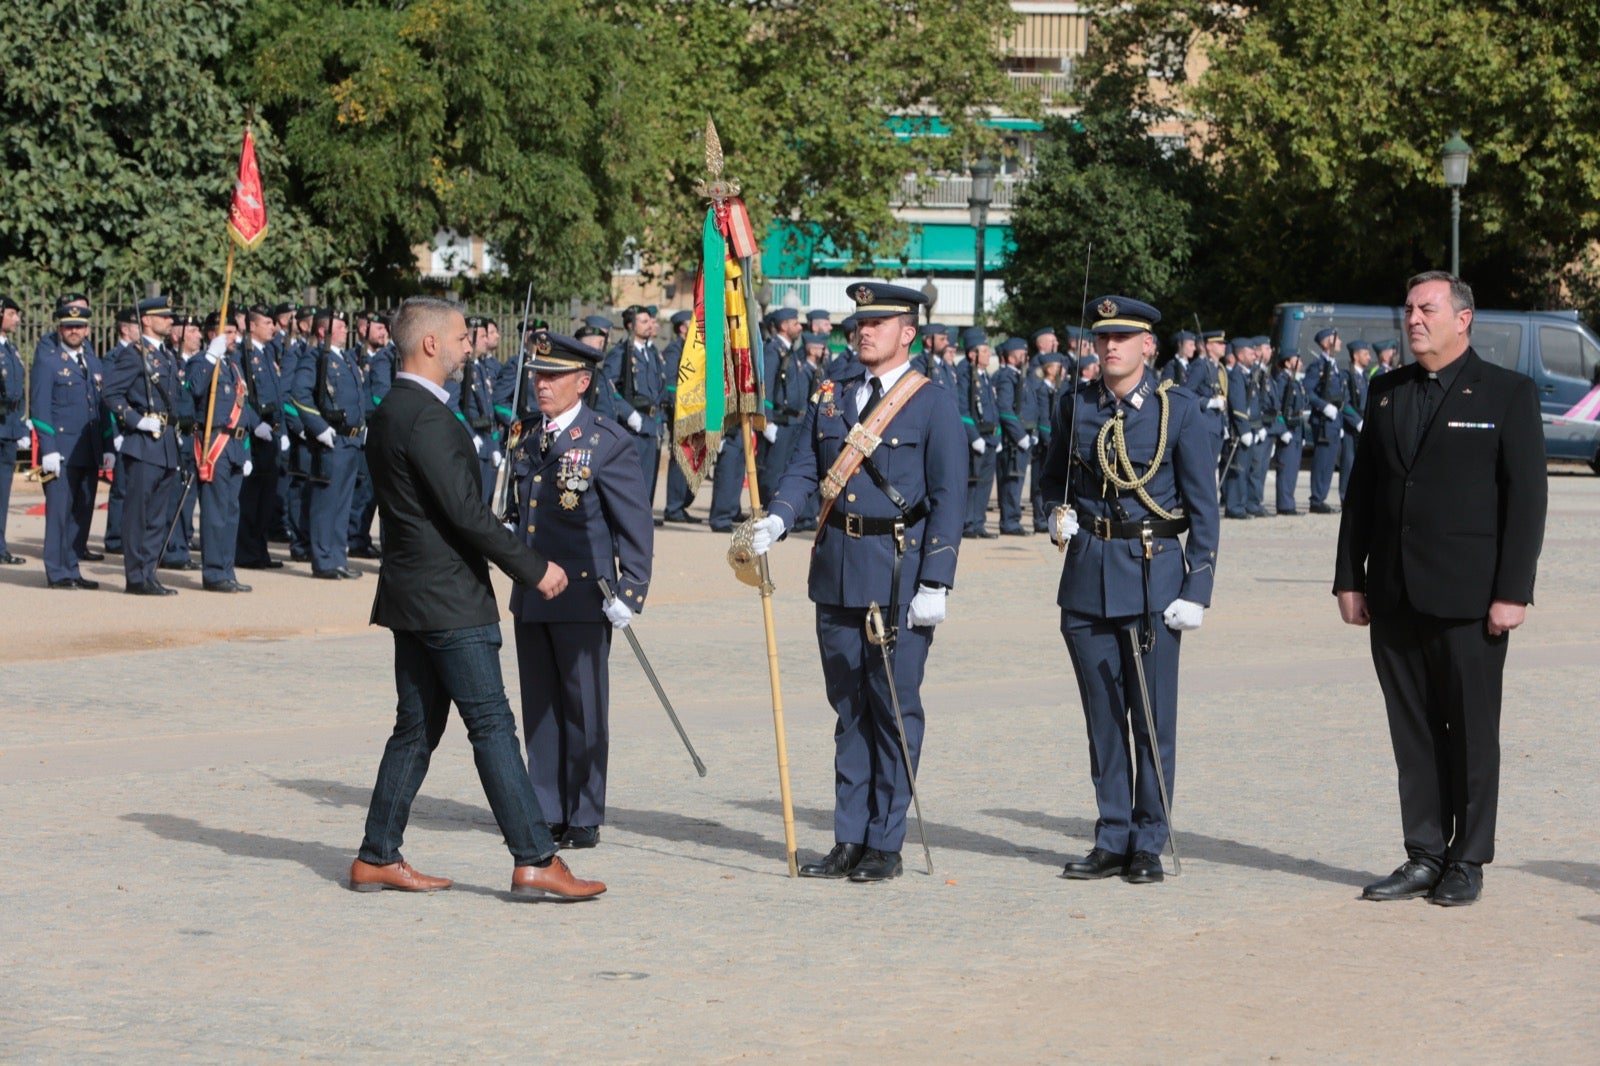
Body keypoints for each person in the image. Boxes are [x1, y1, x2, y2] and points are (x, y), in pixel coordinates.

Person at [351, 295, 604, 900]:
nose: (472, 346)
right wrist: (531, 567)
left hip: (412, 594)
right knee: (491, 723)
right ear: (432, 344)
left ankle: (377, 853)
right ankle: (535, 856)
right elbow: (465, 513)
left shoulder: (393, 409)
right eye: (463, 338)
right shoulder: (427, 417)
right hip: (448, 599)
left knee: (414, 729)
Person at [1334, 271, 1546, 907]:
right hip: (1396, 595)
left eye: (1426, 308)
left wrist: (1513, 591)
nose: (1414, 319)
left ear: (1464, 318)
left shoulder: (1507, 393)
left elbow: (1526, 500)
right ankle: (1424, 853)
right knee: (1414, 732)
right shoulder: (1386, 391)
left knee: (1473, 733)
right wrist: (1350, 577)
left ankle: (1468, 859)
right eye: (1409, 309)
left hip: (1471, 600)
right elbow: (1363, 493)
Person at [747, 281, 966, 883]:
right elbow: (802, 471)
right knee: (848, 710)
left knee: (892, 708)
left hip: (898, 572)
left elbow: (949, 499)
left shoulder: (932, 402)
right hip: (837, 567)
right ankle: (848, 836)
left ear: (908, 333)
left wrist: (937, 581)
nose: (864, 331)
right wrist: (778, 517)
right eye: (860, 322)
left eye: (879, 322)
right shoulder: (831, 395)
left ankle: (884, 841)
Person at [1039, 295, 1219, 884]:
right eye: (1101, 338)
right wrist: (1054, 514)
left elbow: (1203, 509)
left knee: (1150, 717)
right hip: (1088, 575)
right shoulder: (1075, 405)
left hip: (1152, 577)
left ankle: (1148, 839)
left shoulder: (1179, 411)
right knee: (1103, 719)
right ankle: (1112, 833)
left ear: (1149, 346)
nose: (1109, 347)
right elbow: (1050, 480)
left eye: (1122, 338)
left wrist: (1198, 586)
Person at [508, 330, 653, 850]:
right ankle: (547, 807)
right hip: (532, 592)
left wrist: (631, 590)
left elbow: (634, 523)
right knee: (541, 705)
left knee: (583, 706)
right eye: (537, 376)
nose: (541, 385)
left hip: (586, 592)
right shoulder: (525, 436)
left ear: (583, 382)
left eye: (552, 377)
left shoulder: (606, 441)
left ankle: (585, 810)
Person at [102, 296, 183, 596]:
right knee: (138, 513)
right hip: (143, 443)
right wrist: (135, 420)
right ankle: (136, 576)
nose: (170, 321)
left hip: (165, 445)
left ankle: (149, 572)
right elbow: (110, 393)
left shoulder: (166, 355)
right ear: (146, 320)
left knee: (157, 516)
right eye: (164, 317)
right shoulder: (135, 355)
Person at [294, 309, 367, 579]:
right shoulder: (313, 358)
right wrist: (319, 428)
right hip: (331, 440)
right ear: (323, 331)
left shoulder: (345, 358)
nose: (345, 330)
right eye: (339, 326)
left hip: (350, 440)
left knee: (342, 503)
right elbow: (299, 395)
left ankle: (338, 557)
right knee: (326, 502)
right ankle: (323, 559)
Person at [186, 321, 255, 592]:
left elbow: (244, 412)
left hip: (237, 446)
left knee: (231, 512)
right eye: (227, 332)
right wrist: (210, 357)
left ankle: (227, 569)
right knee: (215, 513)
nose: (233, 337)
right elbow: (193, 389)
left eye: (235, 331)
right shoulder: (201, 362)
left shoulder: (234, 367)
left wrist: (247, 451)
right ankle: (214, 573)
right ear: (212, 335)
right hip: (216, 443)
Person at [236, 305, 288, 571]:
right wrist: (255, 424)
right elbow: (239, 397)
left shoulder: (268, 353)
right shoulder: (241, 354)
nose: (273, 327)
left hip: (272, 433)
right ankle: (245, 552)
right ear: (252, 326)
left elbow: (278, 395)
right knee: (251, 498)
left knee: (266, 499)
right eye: (267, 322)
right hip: (253, 436)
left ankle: (259, 549)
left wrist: (284, 431)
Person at [956, 327, 999, 538]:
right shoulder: (965, 372)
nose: (989, 353)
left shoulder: (984, 375)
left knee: (985, 484)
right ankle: (968, 524)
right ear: (973, 353)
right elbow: (963, 408)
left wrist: (997, 435)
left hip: (990, 436)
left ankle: (979, 523)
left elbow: (992, 407)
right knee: (972, 483)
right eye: (985, 350)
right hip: (977, 437)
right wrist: (974, 437)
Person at [992, 336, 1032, 535]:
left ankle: (1012, 519)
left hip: (1017, 438)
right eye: (1020, 354)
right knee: (1011, 482)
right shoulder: (1007, 376)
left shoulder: (1017, 375)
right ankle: (1010, 521)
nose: (1025, 356)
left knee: (1015, 482)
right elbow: (1005, 408)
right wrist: (1019, 435)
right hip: (1011, 440)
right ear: (1010, 356)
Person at [1304, 326, 1345, 513]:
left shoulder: (1333, 366)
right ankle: (1317, 499)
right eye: (1336, 339)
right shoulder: (1317, 366)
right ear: (1328, 342)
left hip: (1334, 420)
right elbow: (1309, 392)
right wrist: (1323, 406)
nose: (1340, 342)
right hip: (1323, 420)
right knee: (1322, 460)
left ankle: (1322, 497)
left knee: (1329, 462)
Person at [0, 294, 29, 564]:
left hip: (8, 428)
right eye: (12, 313)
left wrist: (21, 424)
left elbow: (16, 393)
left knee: (3, 490)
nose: (17, 319)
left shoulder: (10, 348)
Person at [1269, 351, 1308, 516]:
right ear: (1287, 363)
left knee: (1292, 469)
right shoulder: (1282, 381)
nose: (1300, 364)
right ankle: (1285, 505)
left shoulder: (1294, 380)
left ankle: (1289, 502)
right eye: (1296, 361)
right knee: (1286, 468)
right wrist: (1283, 430)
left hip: (1297, 429)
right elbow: (1278, 409)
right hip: (1289, 430)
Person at [1337, 340, 1371, 502]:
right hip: (1352, 426)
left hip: (1363, 424)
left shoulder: (1363, 376)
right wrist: (1357, 421)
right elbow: (1345, 403)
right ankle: (1346, 498)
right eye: (1365, 354)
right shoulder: (1348, 376)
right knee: (1348, 464)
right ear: (1356, 356)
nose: (1369, 358)